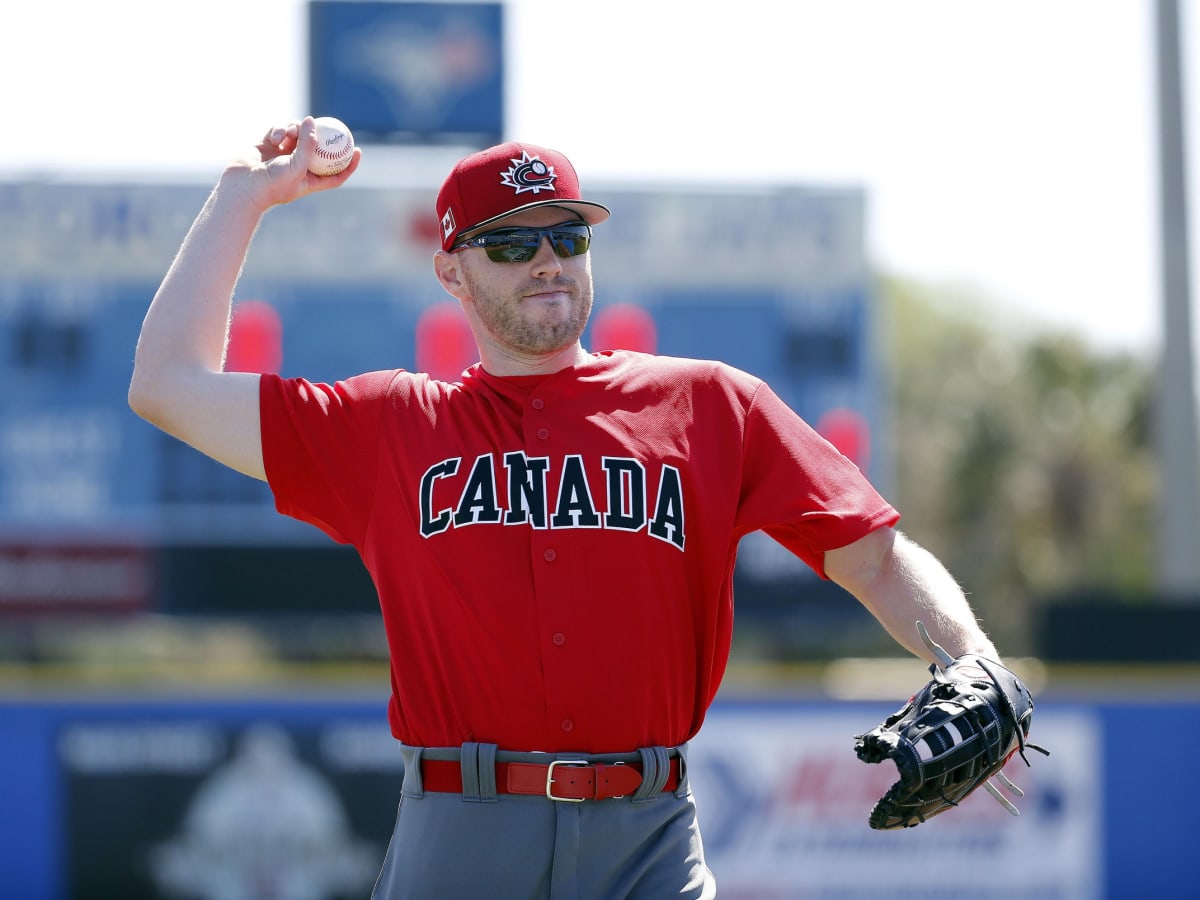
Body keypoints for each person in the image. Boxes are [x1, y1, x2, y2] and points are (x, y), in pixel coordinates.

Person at [129, 116, 1005, 899]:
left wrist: (973, 661)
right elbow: (168, 385)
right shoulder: (389, 427)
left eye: (565, 236)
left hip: (649, 833)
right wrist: (242, 199)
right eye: (510, 244)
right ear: (451, 272)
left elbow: (875, 554)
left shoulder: (709, 405)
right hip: (461, 830)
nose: (547, 258)